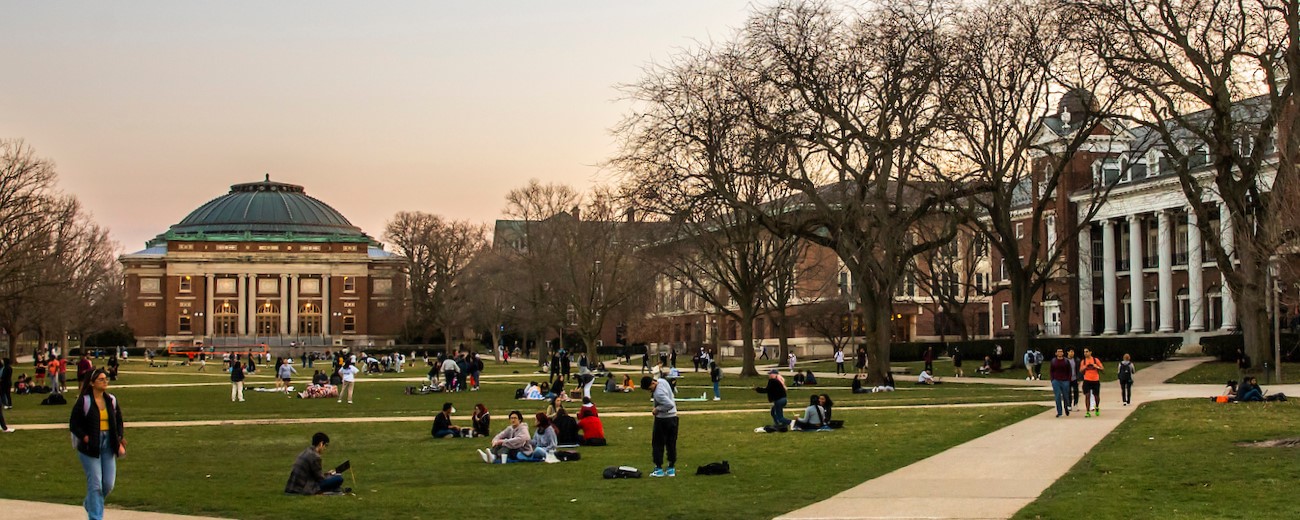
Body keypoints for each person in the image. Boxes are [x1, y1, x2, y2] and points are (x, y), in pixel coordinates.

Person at [70, 368, 126, 519]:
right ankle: (95, 517)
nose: (105, 381)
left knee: (108, 484)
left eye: (105, 379)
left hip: (109, 445)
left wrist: (119, 437)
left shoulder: (111, 400)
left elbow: (119, 421)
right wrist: (85, 437)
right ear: (92, 383)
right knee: (96, 485)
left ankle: (90, 503)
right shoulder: (85, 401)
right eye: (101, 379)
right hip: (89, 448)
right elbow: (74, 424)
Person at [642, 373, 678, 477]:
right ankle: (671, 468)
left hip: (663, 419)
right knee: (671, 443)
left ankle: (658, 469)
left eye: (650, 388)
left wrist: (657, 409)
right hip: (674, 418)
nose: (650, 391)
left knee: (658, 443)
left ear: (653, 383)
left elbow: (669, 404)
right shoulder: (662, 381)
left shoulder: (658, 393)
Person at [1080, 348, 1104, 417]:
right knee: (1087, 395)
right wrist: (1085, 367)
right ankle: (1087, 411)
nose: (1085, 353)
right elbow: (1081, 370)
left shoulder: (1095, 360)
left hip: (1095, 380)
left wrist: (1097, 367)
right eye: (1084, 352)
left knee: (1096, 396)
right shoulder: (1083, 361)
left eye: (1087, 352)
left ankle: (1097, 407)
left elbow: (1102, 369)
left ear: (1090, 352)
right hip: (1087, 380)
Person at [1049, 349, 1072, 417]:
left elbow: (1069, 371)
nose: (1060, 353)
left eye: (1061, 352)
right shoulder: (1053, 361)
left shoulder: (1066, 361)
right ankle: (1059, 412)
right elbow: (1051, 370)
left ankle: (1066, 407)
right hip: (1056, 380)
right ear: (1056, 353)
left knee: (1065, 396)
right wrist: (1052, 379)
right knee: (1057, 396)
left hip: (1065, 380)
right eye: (1058, 352)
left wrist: (1068, 379)